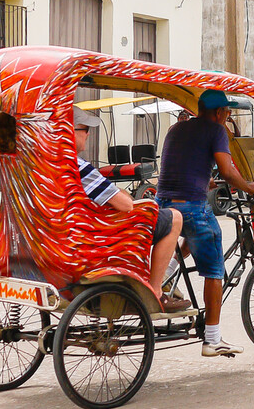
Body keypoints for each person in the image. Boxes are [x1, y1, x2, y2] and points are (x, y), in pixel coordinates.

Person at [157, 89, 254, 357]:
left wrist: (205, 180)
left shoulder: (176, 129)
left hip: (163, 205)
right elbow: (228, 170)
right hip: (190, 206)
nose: (227, 118)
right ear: (218, 113)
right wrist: (250, 187)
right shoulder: (216, 131)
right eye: (227, 114)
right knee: (215, 268)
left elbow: (181, 166)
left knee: (193, 233)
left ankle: (169, 274)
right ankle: (213, 339)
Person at [71, 107, 190, 312]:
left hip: (74, 231)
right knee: (174, 217)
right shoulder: (77, 166)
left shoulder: (48, 165)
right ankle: (156, 292)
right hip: (97, 237)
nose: (88, 134)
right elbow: (125, 205)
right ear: (69, 132)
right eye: (84, 129)